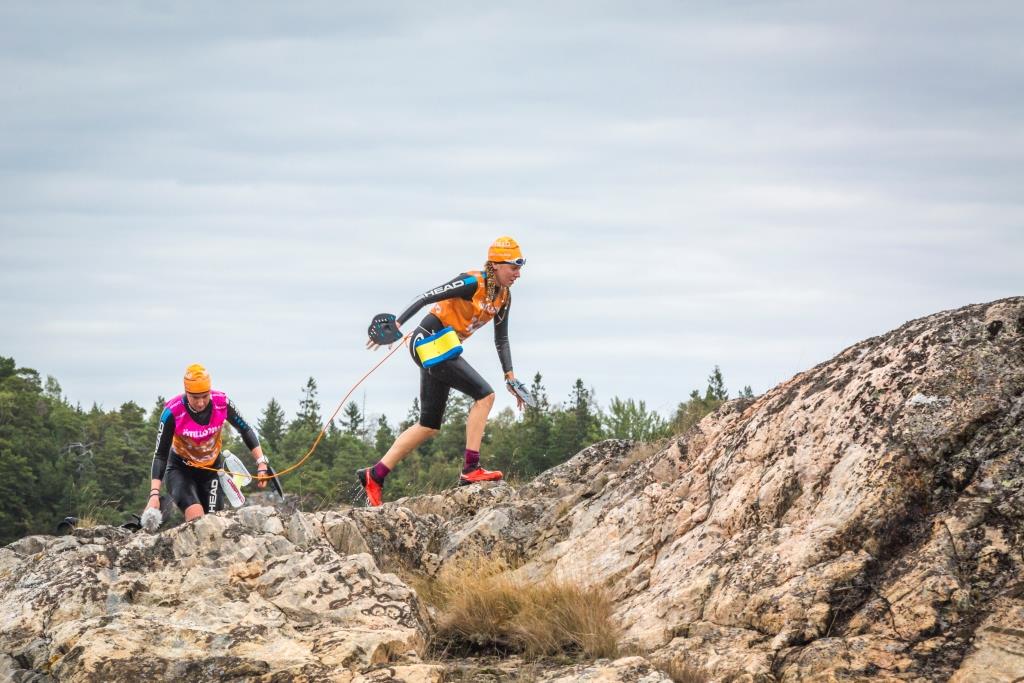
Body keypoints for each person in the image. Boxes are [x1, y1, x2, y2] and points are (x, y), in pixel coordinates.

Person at [358, 236, 529, 506]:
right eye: (514, 267)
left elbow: (502, 339)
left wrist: (511, 378)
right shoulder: (473, 281)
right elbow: (426, 296)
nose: (518, 274)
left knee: (428, 424)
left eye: (521, 268)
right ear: (496, 265)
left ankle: (375, 474)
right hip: (427, 340)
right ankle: (471, 468)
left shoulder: (503, 297)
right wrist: (397, 324)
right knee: (485, 396)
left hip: (443, 347)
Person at [146, 363, 269, 522]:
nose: (200, 403)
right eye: (194, 397)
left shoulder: (222, 402)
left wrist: (261, 462)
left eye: (205, 396)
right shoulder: (172, 411)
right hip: (181, 470)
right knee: (196, 518)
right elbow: (160, 454)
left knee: (215, 523)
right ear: (186, 392)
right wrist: (154, 494)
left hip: (211, 470)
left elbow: (245, 429)